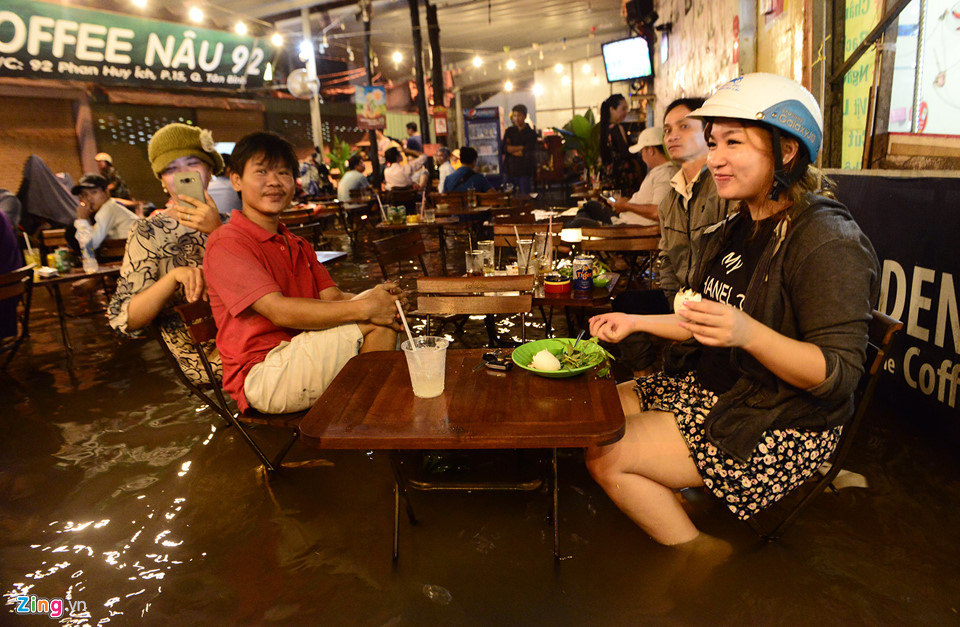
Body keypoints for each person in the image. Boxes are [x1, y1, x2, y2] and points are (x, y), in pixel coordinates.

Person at [586, 73, 880, 550]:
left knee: (605, 452)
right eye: (714, 141)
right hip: (715, 387)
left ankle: (702, 558)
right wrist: (636, 321)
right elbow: (705, 322)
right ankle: (669, 496)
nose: (715, 158)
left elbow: (840, 374)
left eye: (734, 143)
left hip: (779, 420)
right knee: (594, 412)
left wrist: (748, 333)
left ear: (786, 151)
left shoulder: (826, 241)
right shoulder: (737, 225)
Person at [204, 131, 402, 414]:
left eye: (283, 173)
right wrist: (370, 308)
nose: (274, 182)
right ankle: (369, 420)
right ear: (236, 179)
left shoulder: (296, 243)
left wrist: (381, 298)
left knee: (383, 308)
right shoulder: (227, 242)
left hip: (301, 350)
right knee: (377, 320)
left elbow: (333, 298)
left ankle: (366, 415)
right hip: (263, 373)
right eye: (261, 172)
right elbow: (279, 311)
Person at [610, 98, 732, 376]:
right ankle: (646, 376)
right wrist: (674, 299)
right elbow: (665, 256)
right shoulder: (671, 198)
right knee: (623, 305)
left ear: (709, 133)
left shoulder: (724, 188)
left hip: (718, 306)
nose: (673, 135)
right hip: (680, 297)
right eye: (667, 129)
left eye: (684, 126)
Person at [108, 123, 225, 385]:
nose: (184, 175)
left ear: (209, 170)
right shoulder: (148, 231)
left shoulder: (230, 224)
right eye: (171, 169)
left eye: (192, 163)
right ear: (162, 180)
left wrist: (217, 230)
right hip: (206, 357)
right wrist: (172, 277)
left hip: (249, 334)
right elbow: (125, 319)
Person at [571, 126, 678, 227]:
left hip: (628, 229)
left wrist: (626, 206)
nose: (642, 156)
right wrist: (627, 202)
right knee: (590, 206)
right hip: (624, 220)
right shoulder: (659, 171)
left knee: (578, 223)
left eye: (642, 151)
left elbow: (658, 212)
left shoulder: (665, 174)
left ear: (650, 150)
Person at [70, 174, 140, 251]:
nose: (89, 198)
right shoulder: (110, 206)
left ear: (106, 193)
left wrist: (82, 219)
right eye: (84, 195)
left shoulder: (108, 208)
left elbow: (89, 245)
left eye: (94, 192)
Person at [599, 94, 643, 195]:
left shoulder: (605, 129)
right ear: (612, 109)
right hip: (622, 177)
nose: (625, 112)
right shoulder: (617, 128)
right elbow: (625, 153)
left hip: (609, 176)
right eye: (623, 109)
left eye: (626, 109)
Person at [501, 104, 538, 195]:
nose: (516, 118)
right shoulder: (509, 131)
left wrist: (512, 150)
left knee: (525, 199)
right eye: (514, 116)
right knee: (508, 199)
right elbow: (504, 149)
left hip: (524, 172)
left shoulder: (531, 133)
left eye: (519, 116)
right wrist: (521, 147)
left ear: (525, 116)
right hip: (509, 170)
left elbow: (525, 152)